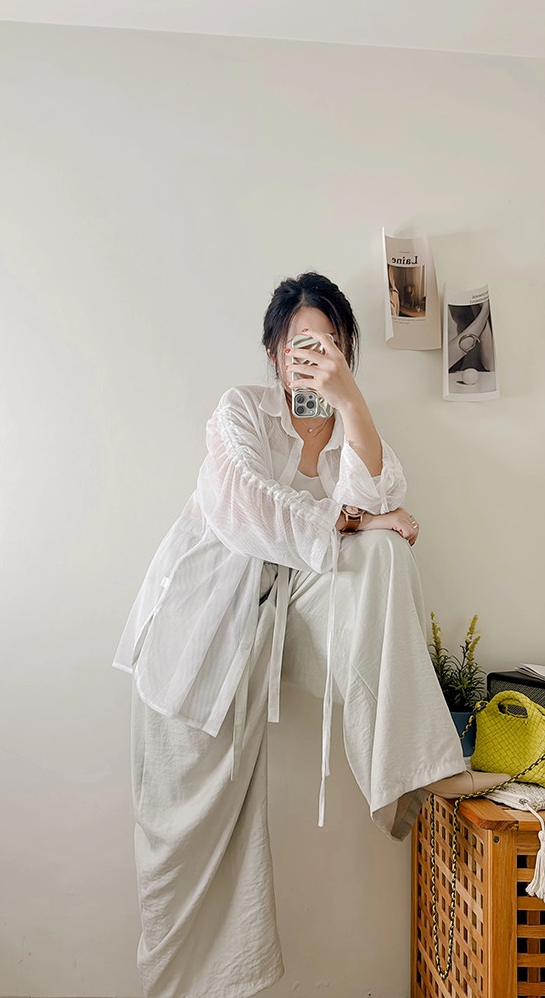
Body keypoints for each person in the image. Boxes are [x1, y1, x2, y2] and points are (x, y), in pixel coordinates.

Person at [113, 272, 507, 998]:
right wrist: (353, 518)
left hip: (276, 628)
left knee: (385, 552)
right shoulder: (241, 412)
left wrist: (350, 401)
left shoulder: (347, 426)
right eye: (301, 344)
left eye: (330, 344)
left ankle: (414, 766)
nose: (314, 357)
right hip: (198, 641)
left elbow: (384, 502)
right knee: (179, 855)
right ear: (274, 353)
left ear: (347, 352)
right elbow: (246, 505)